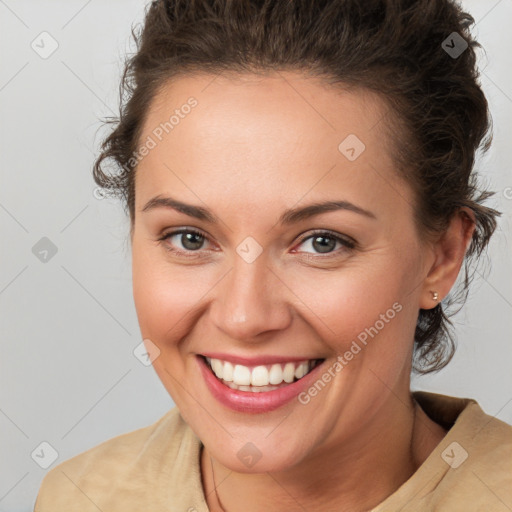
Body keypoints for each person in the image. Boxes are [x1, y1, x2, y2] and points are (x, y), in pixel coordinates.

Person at [34, 0, 512, 510]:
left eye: (322, 242)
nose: (244, 317)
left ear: (441, 256)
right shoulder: (80, 497)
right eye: (190, 238)